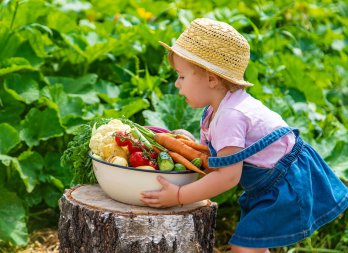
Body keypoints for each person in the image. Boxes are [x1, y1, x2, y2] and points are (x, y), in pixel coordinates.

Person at [140, 18, 348, 252]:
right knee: (255, 245)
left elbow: (228, 177)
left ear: (211, 78)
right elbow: (212, 161)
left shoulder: (231, 115)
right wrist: (180, 146)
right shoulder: (214, 110)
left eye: (181, 76)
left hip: (288, 184)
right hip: (268, 182)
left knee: (243, 246)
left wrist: (179, 195)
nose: (177, 84)